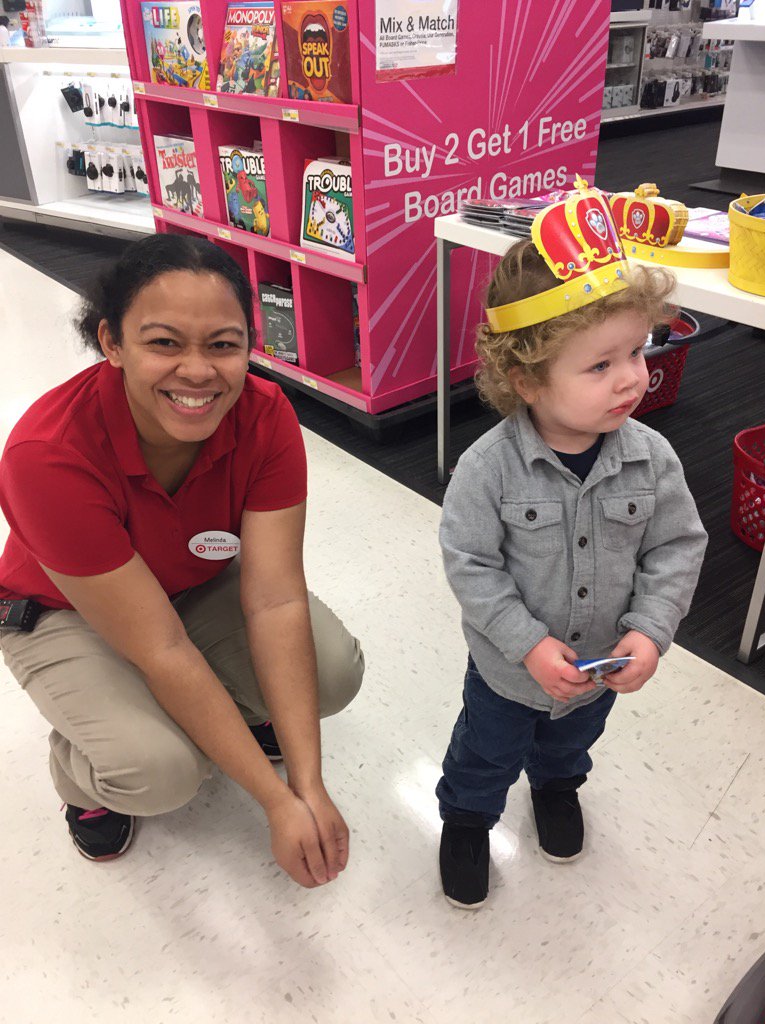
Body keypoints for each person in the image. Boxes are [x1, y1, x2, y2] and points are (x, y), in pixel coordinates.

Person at [0, 233, 364, 887]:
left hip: (188, 582)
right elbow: (162, 647)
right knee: (162, 771)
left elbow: (276, 599)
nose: (198, 372)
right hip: (58, 614)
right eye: (164, 342)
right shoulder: (47, 454)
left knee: (332, 673)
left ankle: (236, 718)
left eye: (223, 345)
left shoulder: (264, 415)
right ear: (112, 343)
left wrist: (309, 784)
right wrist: (277, 803)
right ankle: (80, 776)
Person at [435, 182, 707, 909]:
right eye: (599, 365)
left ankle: (557, 789)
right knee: (484, 753)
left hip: (599, 669)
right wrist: (525, 642)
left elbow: (677, 547)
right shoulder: (487, 470)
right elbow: (471, 563)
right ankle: (465, 819)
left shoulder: (654, 459)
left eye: (635, 350)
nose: (631, 377)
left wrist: (651, 632)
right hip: (507, 671)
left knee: (568, 746)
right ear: (524, 379)